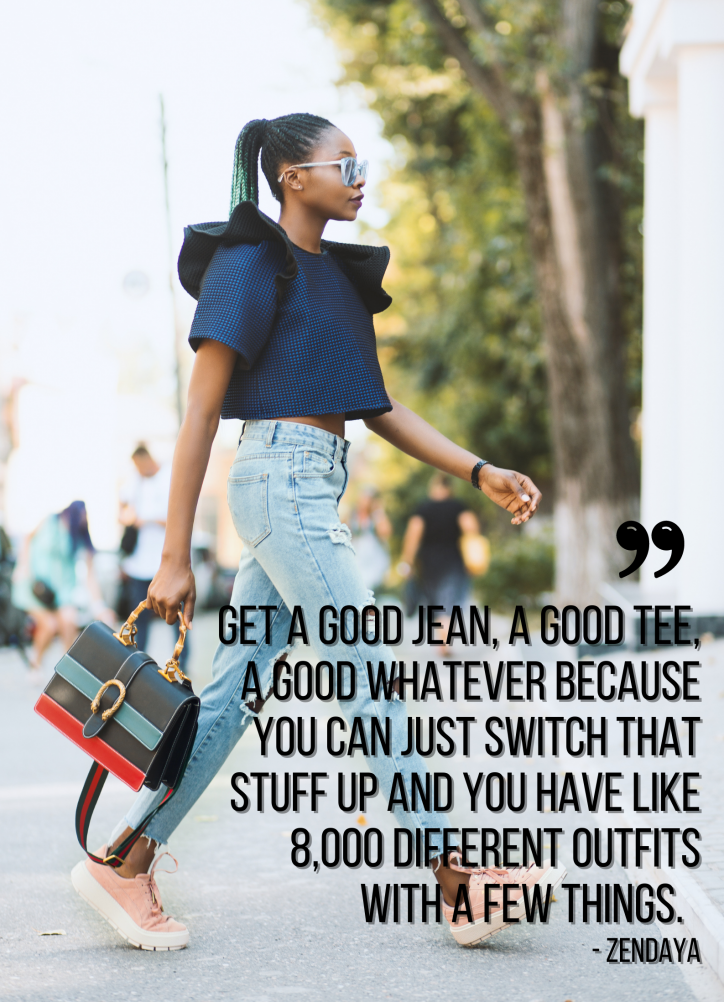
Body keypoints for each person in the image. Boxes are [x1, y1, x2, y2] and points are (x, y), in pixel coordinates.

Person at [70, 113, 563, 952]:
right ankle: (458, 876)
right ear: (293, 177)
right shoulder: (249, 261)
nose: (362, 175)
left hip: (312, 490)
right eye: (346, 163)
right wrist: (173, 554)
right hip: (277, 484)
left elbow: (376, 407)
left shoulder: (336, 278)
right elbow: (200, 412)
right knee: (370, 673)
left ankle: (125, 859)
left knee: (231, 700)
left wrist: (480, 471)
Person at [12, 501, 112, 669]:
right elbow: (27, 537)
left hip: (62, 590)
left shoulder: (80, 535)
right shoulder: (50, 521)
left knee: (69, 620)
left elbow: (90, 575)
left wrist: (99, 606)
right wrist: (23, 565)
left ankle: (66, 667)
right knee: (49, 626)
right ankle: (35, 663)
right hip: (35, 585)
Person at [399, 473, 479, 652]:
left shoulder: (424, 508)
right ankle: (445, 641)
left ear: (433, 488)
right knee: (450, 601)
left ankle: (442, 641)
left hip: (429, 563)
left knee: (435, 601)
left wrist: (408, 561)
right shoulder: (458, 506)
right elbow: (471, 527)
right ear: (450, 488)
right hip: (454, 560)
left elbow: (413, 535)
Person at [118, 444, 172, 651]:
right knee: (139, 618)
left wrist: (146, 520)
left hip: (164, 562)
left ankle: (180, 663)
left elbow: (175, 520)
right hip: (138, 564)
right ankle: (140, 659)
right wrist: (127, 516)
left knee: (174, 617)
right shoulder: (135, 481)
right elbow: (121, 506)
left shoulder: (168, 477)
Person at [348, 486, 392, 592]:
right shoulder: (352, 515)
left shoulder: (376, 515)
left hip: (374, 558)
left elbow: (385, 532)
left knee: (368, 590)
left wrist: (378, 511)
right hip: (357, 557)